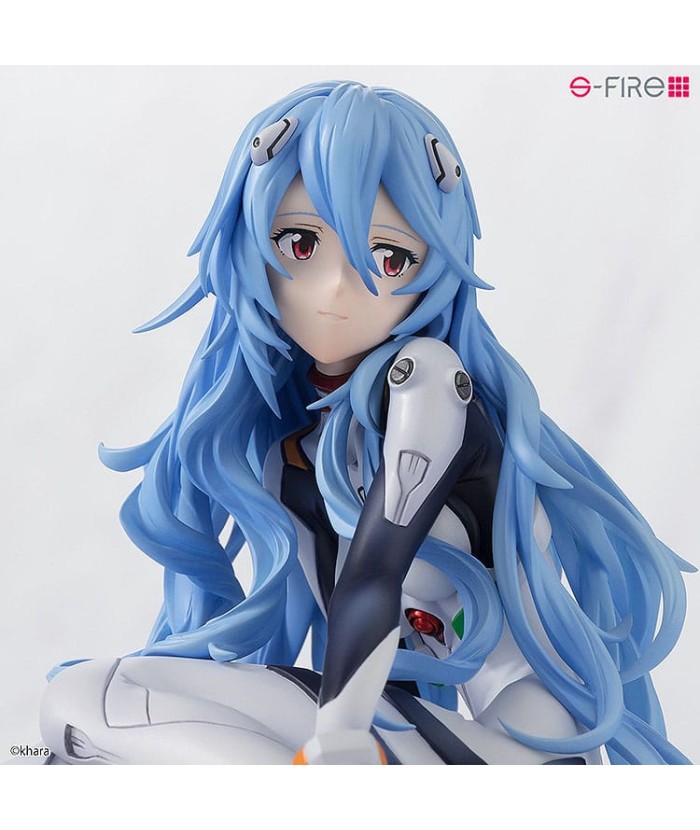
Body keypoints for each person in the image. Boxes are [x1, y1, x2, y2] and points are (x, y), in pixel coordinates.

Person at [39, 80, 693, 764]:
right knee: (90, 703)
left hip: (526, 754)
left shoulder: (427, 383)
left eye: (389, 257)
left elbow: (373, 575)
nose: (337, 288)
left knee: (98, 703)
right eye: (299, 244)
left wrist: (343, 735)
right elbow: (326, 632)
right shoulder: (292, 442)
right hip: (406, 737)